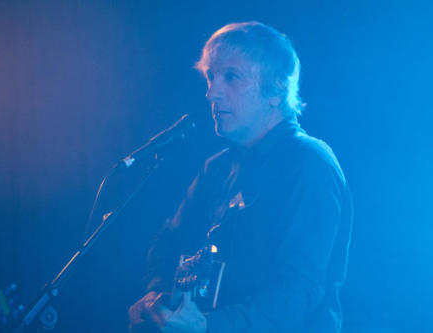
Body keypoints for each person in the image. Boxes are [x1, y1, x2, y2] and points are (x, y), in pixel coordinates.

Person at [128, 21, 352, 333]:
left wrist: (209, 326)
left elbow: (299, 292)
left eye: (231, 77)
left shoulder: (310, 164)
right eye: (210, 76)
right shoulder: (216, 168)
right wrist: (157, 300)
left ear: (276, 90)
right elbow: (167, 243)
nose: (211, 92)